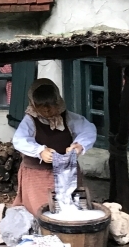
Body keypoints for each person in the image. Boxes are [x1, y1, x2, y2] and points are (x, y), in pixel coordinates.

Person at [11, 78, 97, 216]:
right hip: (37, 174)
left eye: (50, 104)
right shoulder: (30, 120)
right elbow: (19, 140)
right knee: (42, 210)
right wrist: (40, 151)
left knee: (70, 207)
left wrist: (79, 145)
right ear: (33, 105)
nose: (47, 110)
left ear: (58, 101)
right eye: (41, 106)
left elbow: (88, 130)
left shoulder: (68, 118)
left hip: (67, 173)